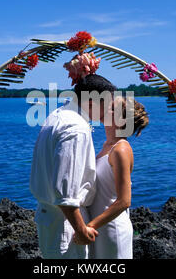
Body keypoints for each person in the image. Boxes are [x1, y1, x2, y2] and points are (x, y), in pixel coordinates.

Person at [30, 74, 117, 259]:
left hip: (49, 217)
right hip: (66, 225)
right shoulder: (76, 128)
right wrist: (81, 230)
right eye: (106, 104)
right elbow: (65, 191)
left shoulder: (56, 116)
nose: (108, 111)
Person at [79, 96, 149, 259]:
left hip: (112, 229)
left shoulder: (121, 150)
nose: (105, 108)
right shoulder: (107, 146)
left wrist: (88, 226)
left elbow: (124, 201)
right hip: (100, 227)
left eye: (111, 108)